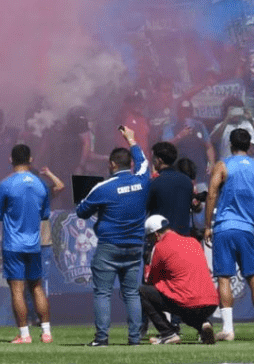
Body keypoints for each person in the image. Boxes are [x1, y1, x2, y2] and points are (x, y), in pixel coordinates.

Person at [75, 125, 149, 347]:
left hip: (110, 246)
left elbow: (81, 211)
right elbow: (144, 161)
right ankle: (135, 339)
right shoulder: (142, 180)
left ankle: (102, 339)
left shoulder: (103, 188)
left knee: (103, 293)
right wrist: (132, 140)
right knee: (132, 294)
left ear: (111, 165)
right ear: (130, 165)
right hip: (135, 246)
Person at [203, 128, 254, 341]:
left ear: (230, 145)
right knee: (253, 277)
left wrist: (208, 225)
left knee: (224, 277)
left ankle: (228, 329)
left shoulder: (223, 165)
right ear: (249, 145)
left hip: (225, 227)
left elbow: (212, 194)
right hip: (246, 229)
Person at [0, 143, 52, 344]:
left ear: (11, 160)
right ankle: (46, 332)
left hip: (13, 244)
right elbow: (44, 214)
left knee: (17, 289)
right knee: (37, 287)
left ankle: (24, 334)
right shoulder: (40, 184)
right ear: (31, 159)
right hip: (34, 243)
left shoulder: (6, 185)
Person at [140, 215, 218, 345]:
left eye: (150, 237)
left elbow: (152, 281)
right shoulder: (193, 241)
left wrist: (148, 265)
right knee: (185, 308)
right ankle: (204, 325)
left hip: (188, 301)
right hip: (211, 302)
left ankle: (168, 333)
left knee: (143, 292)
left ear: (157, 235)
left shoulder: (160, 247)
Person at [147, 141, 195, 236]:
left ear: (159, 160)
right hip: (183, 237)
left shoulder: (154, 183)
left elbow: (146, 208)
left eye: (153, 157)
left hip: (162, 238)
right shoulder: (187, 181)